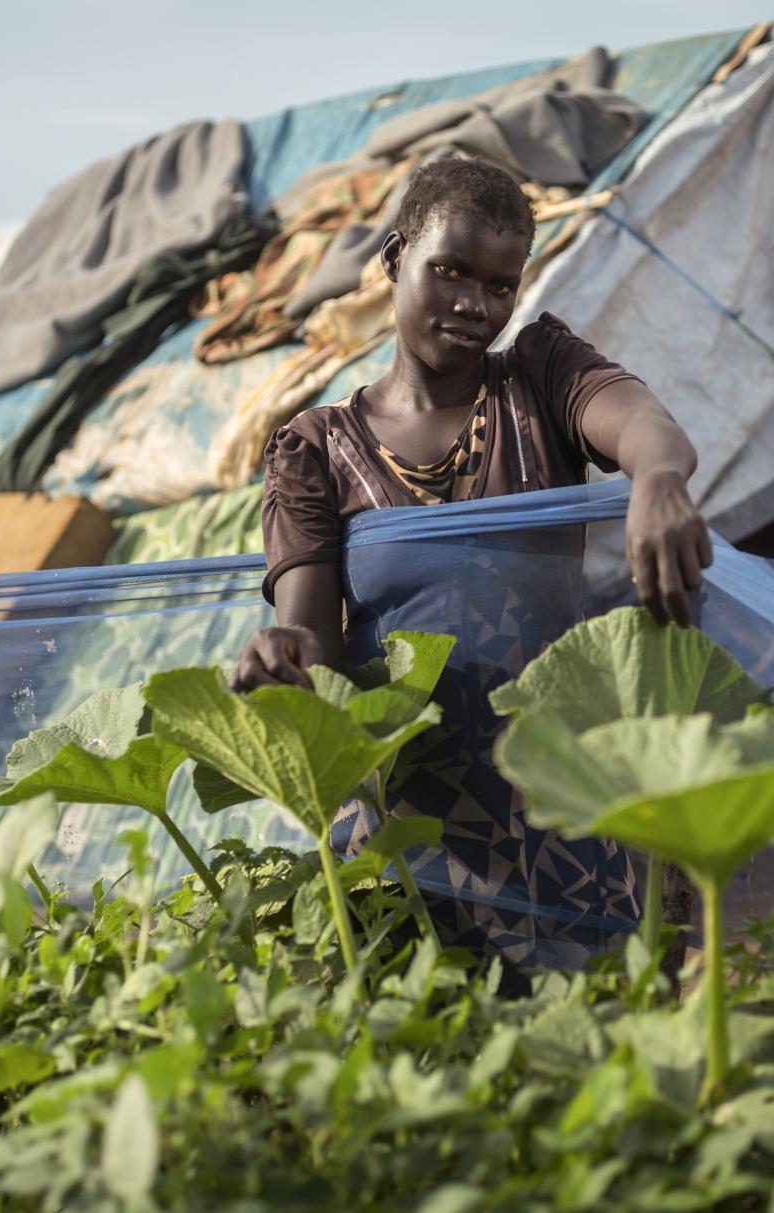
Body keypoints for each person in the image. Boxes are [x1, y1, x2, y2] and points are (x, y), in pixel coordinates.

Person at [233, 156, 712, 967]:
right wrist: (280, 657)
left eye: (499, 284)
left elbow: (639, 420)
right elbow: (310, 639)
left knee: (588, 1062)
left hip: (562, 819)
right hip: (403, 832)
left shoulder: (539, 377)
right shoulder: (315, 450)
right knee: (424, 1066)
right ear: (392, 260)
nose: (474, 305)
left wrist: (659, 477)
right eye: (449, 271)